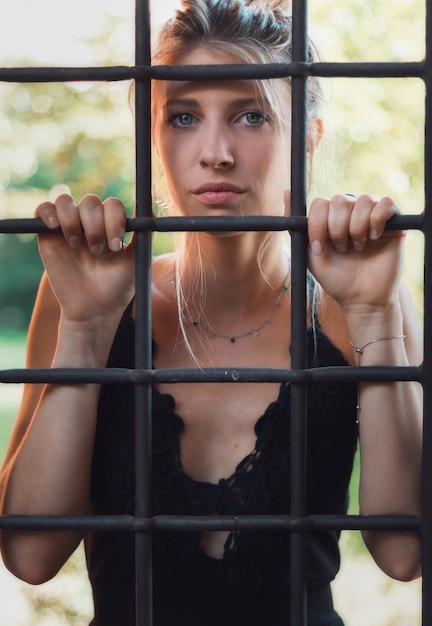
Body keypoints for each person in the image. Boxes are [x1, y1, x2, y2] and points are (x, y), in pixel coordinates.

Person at [0, 0, 423, 624]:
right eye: (184, 117)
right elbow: (30, 553)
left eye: (251, 115)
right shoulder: (86, 292)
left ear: (309, 134)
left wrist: (374, 320)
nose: (216, 151)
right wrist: (87, 332)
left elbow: (405, 551)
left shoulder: (361, 298)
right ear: (152, 132)